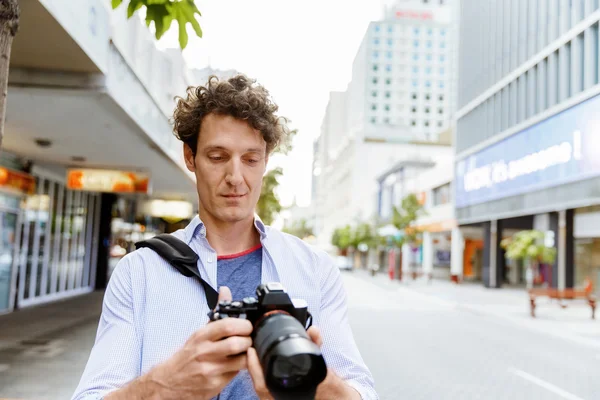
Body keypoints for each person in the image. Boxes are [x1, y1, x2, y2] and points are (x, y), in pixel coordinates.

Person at [72, 74, 377, 400]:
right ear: (190, 157)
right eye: (217, 157)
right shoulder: (139, 272)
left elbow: (361, 393)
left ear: (265, 162)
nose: (235, 177)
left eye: (250, 159)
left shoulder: (314, 269)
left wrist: (313, 381)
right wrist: (165, 385)